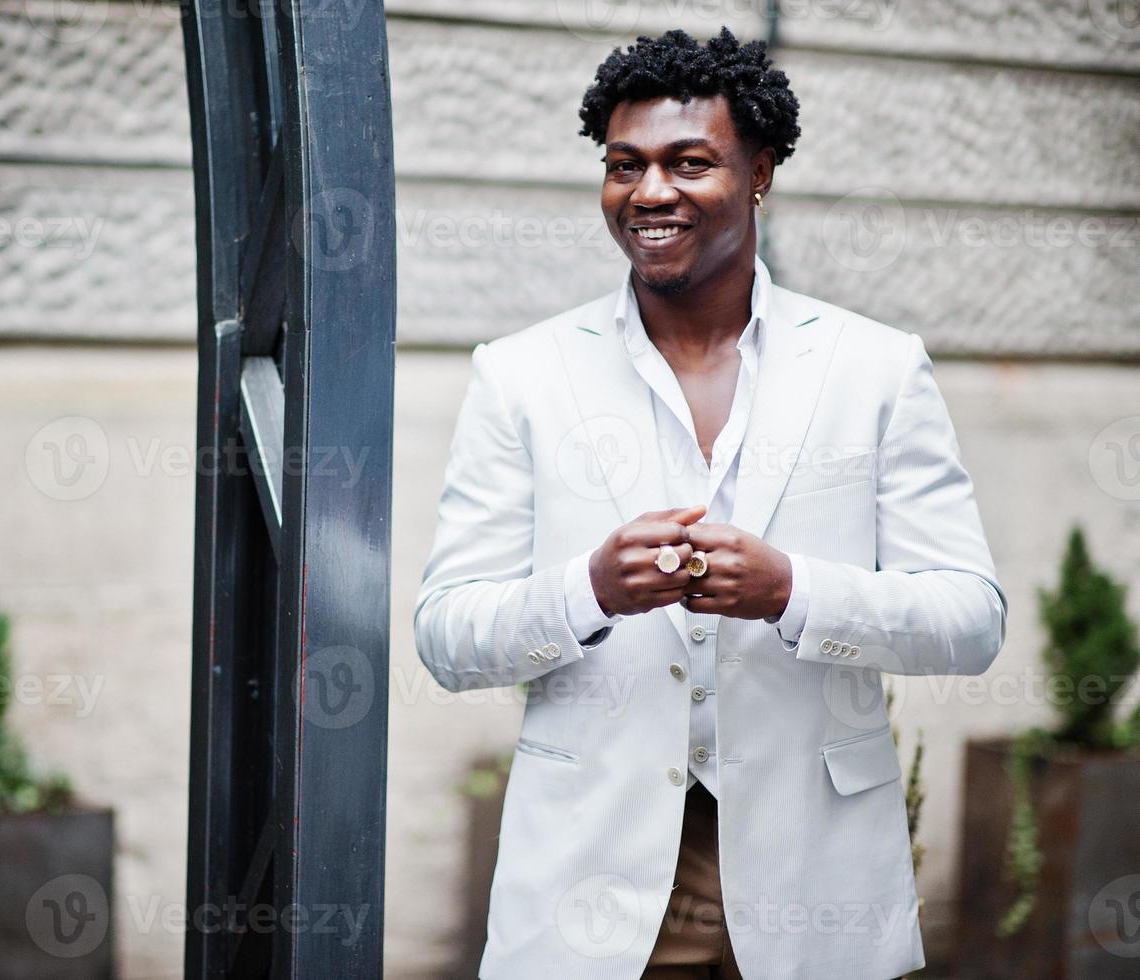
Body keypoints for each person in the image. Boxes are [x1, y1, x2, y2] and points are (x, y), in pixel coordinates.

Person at [413, 27, 1007, 980]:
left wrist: (793, 592)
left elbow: (969, 621)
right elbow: (446, 637)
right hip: (591, 886)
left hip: (814, 878)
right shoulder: (520, 374)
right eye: (623, 166)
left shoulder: (874, 368)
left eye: (689, 162)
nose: (649, 193)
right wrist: (588, 591)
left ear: (759, 170)